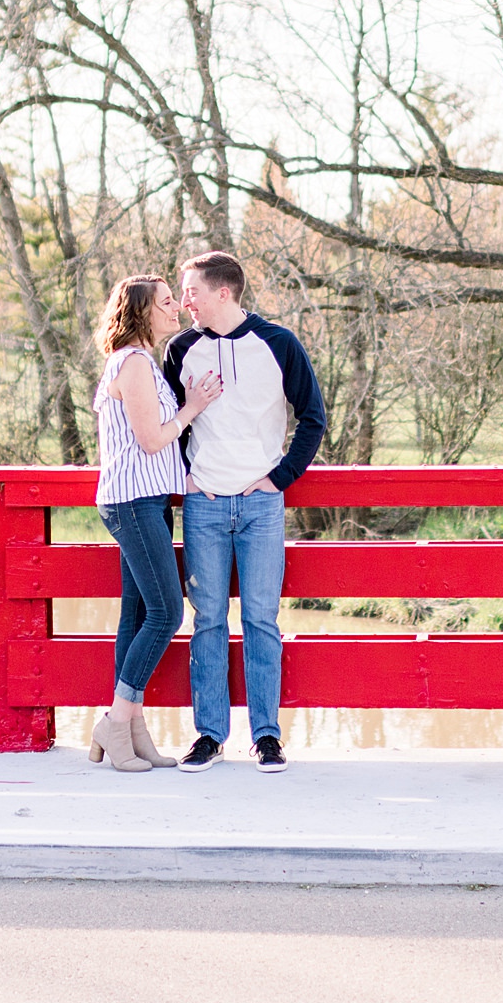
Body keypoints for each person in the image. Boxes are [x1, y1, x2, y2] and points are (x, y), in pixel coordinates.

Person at [163, 249, 325, 772]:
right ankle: (209, 735)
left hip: (261, 504)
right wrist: (184, 473)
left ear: (223, 291)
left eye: (191, 291)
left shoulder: (277, 344)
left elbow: (313, 418)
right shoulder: (180, 349)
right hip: (204, 503)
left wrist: (277, 478)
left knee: (261, 618)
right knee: (207, 620)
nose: (184, 301)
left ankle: (267, 736)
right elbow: (167, 422)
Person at [87, 274, 222, 772]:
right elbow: (150, 439)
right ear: (143, 312)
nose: (175, 308)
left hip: (147, 500)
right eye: (167, 302)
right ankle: (115, 722)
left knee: (137, 614)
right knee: (167, 613)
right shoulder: (136, 364)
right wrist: (193, 407)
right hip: (133, 502)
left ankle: (132, 730)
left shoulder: (140, 363)